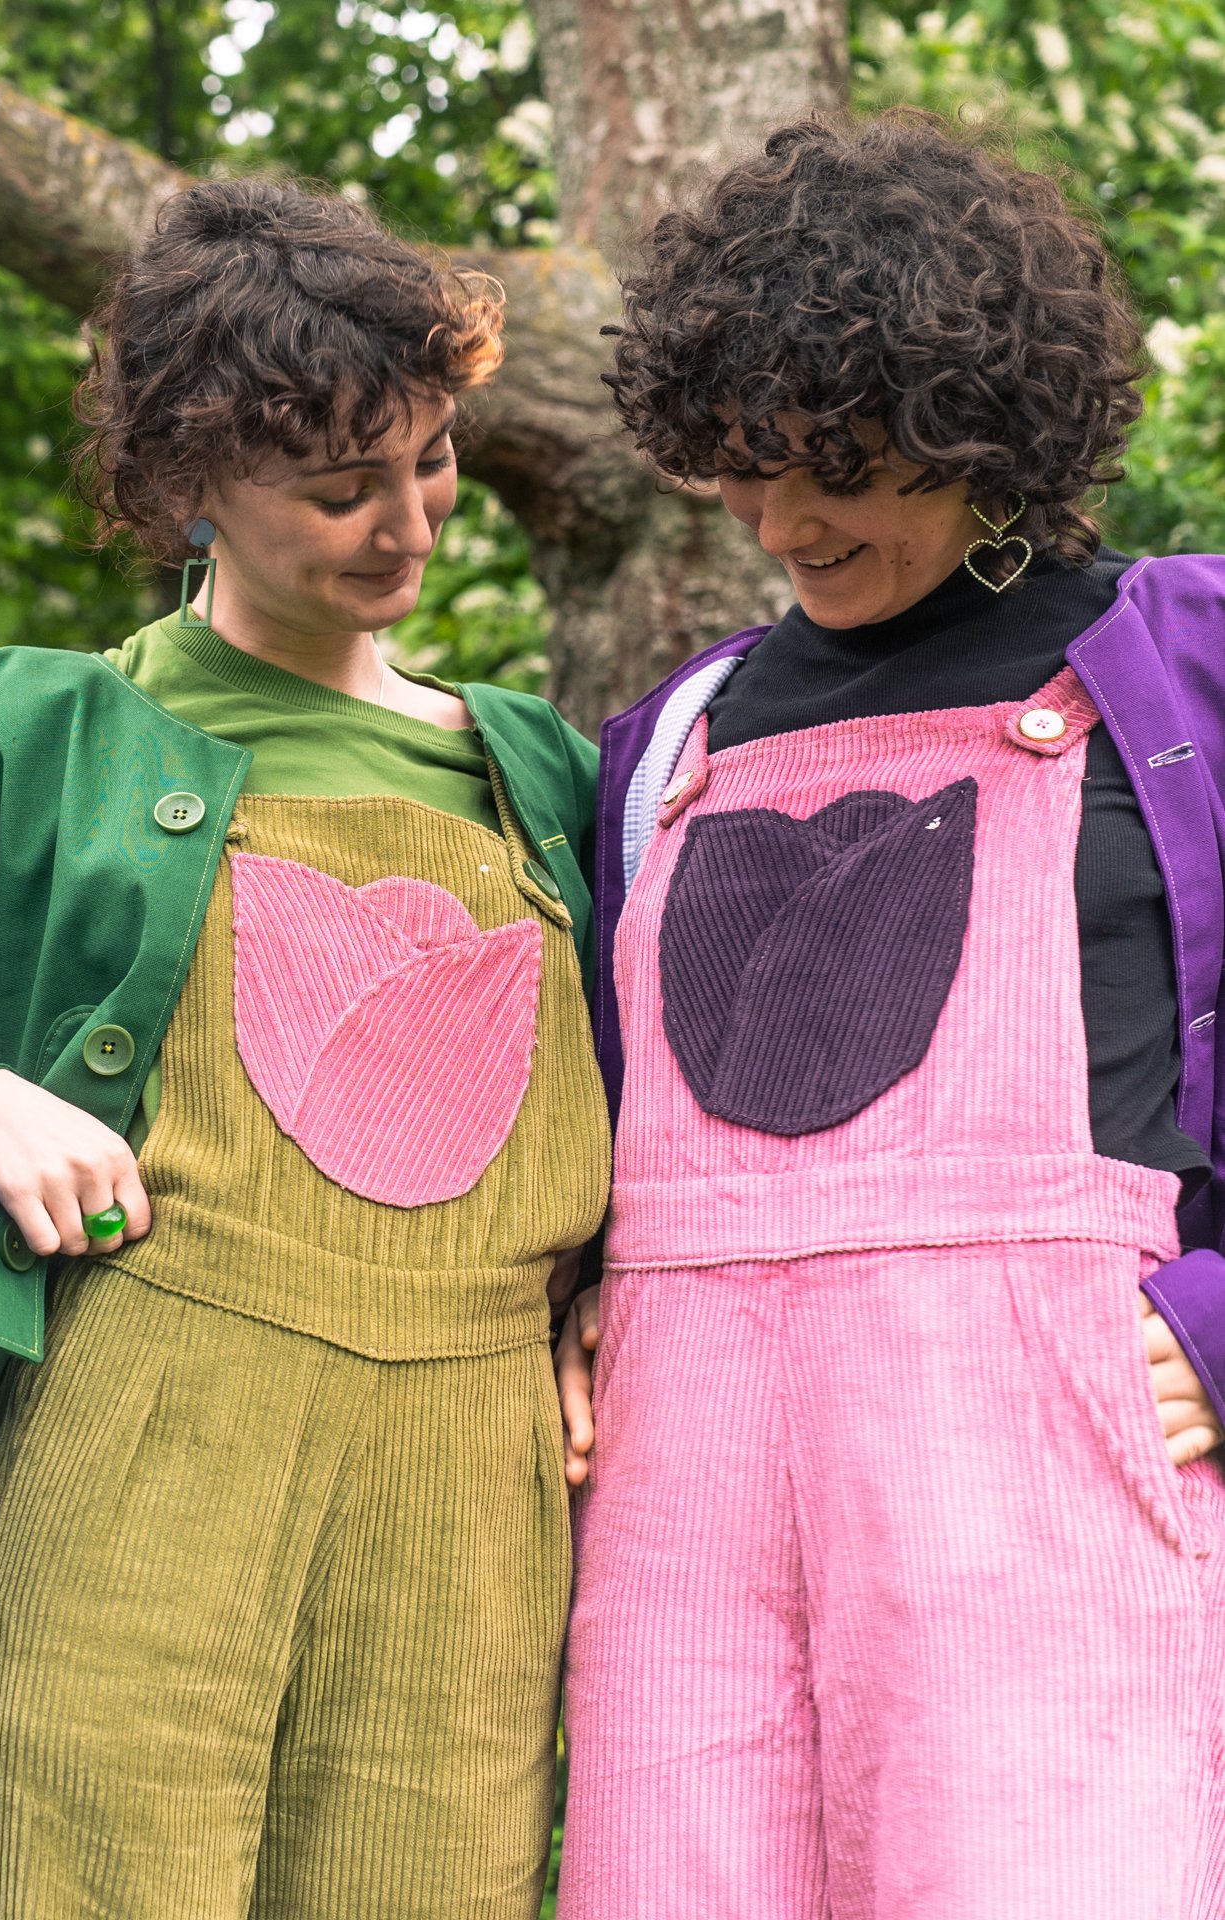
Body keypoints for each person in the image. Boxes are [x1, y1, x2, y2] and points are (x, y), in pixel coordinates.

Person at [555, 111, 1225, 1919]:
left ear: (974, 424)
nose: (784, 525)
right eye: (742, 470)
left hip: (1046, 1479)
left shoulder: (1185, 663)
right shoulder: (666, 742)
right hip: (685, 1514)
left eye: (836, 468)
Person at [0, 178, 609, 1920]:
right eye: (336, 490)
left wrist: (603, 1302)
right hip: (148, 1416)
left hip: (473, 1464)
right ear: (186, 489)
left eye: (431, 460)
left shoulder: (545, 770)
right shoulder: (37, 731)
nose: (405, 526)